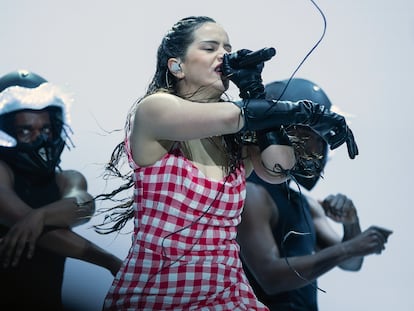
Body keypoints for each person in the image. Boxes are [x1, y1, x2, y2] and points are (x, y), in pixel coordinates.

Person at [95, 16, 358, 310]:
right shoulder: (155, 109)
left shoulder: (233, 136)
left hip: (226, 294)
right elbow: (236, 115)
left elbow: (279, 168)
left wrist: (254, 89)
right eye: (210, 48)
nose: (224, 55)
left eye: (227, 48)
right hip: (161, 292)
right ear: (176, 65)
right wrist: (304, 112)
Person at [237, 78, 392, 311]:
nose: (319, 149)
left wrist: (351, 223)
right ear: (285, 130)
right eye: (314, 136)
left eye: (322, 140)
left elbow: (351, 263)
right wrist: (351, 247)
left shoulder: (304, 203)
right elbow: (270, 277)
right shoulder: (252, 194)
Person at [0, 70, 123, 310]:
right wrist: (108, 261)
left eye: (46, 130)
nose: (41, 139)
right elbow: (31, 227)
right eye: (26, 130)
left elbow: (84, 205)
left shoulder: (67, 178)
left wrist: (41, 215)